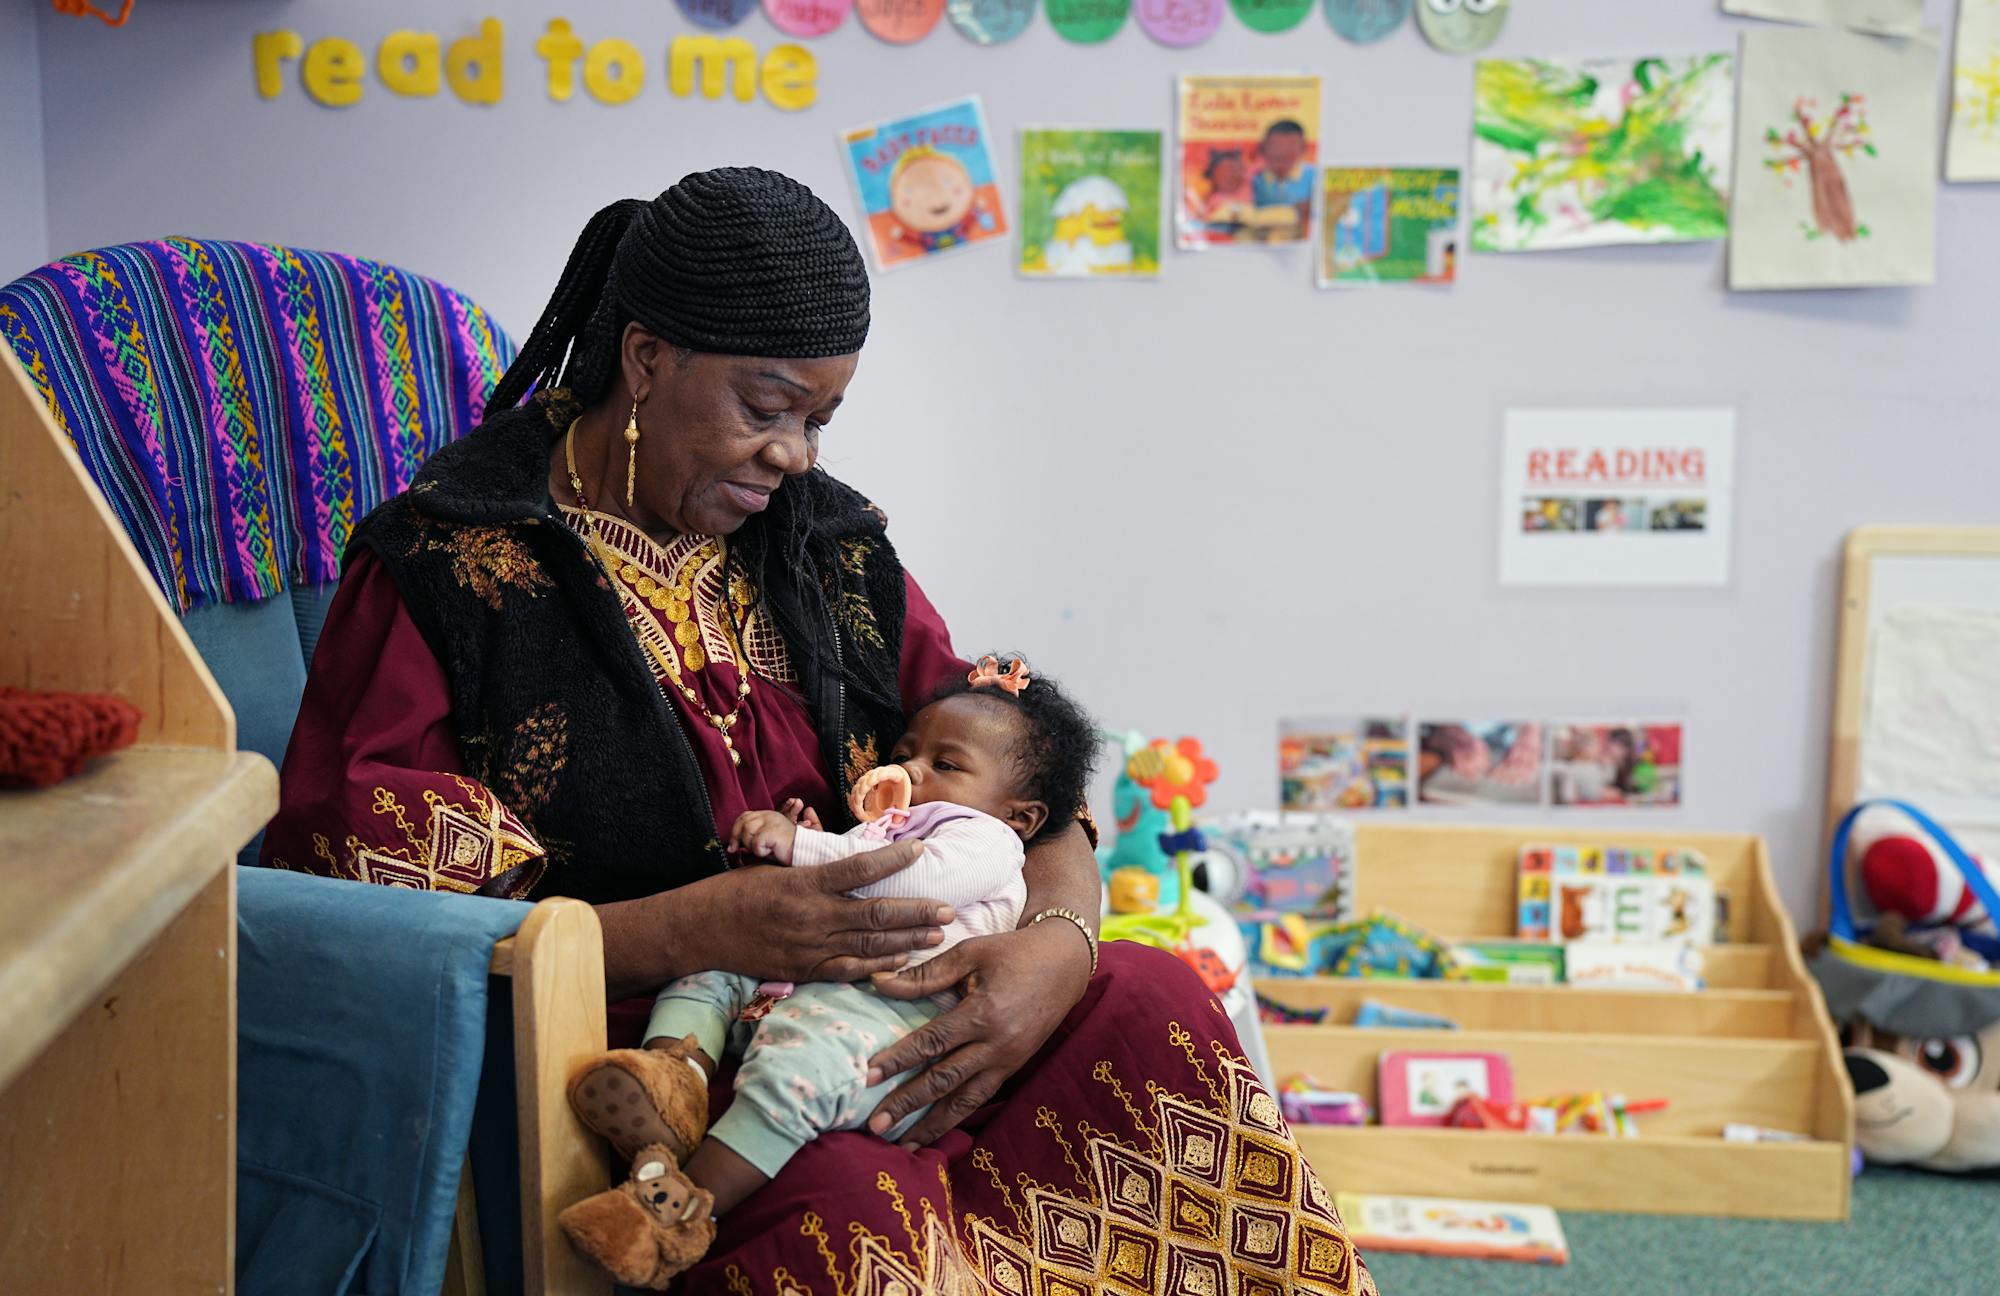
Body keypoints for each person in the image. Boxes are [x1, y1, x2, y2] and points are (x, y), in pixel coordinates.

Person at [261, 167, 1375, 1296]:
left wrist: (1053, 948)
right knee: (851, 1198)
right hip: (656, 1048)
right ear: (646, 359)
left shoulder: (828, 548)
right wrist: (701, 926)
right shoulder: (452, 568)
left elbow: (1020, 764)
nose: (793, 454)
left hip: (881, 1000)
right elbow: (384, 923)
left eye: (818, 420)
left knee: (1151, 1000)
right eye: (765, 407)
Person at [558, 655, 1097, 1288]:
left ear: (1021, 816)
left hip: (887, 1011)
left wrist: (802, 849)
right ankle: (675, 1073)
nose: (911, 769)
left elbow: (904, 875)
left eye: (945, 766)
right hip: (804, 977)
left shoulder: (987, 840)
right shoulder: (896, 823)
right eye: (906, 751)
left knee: (797, 1071)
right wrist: (813, 837)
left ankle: (679, 1212)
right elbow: (854, 865)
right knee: (704, 973)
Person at [1251, 120, 1316, 239]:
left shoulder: (1315, 177)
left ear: (1303, 149)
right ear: (1264, 149)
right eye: (1276, 155)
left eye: (1288, 155)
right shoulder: (1254, 179)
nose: (1281, 162)